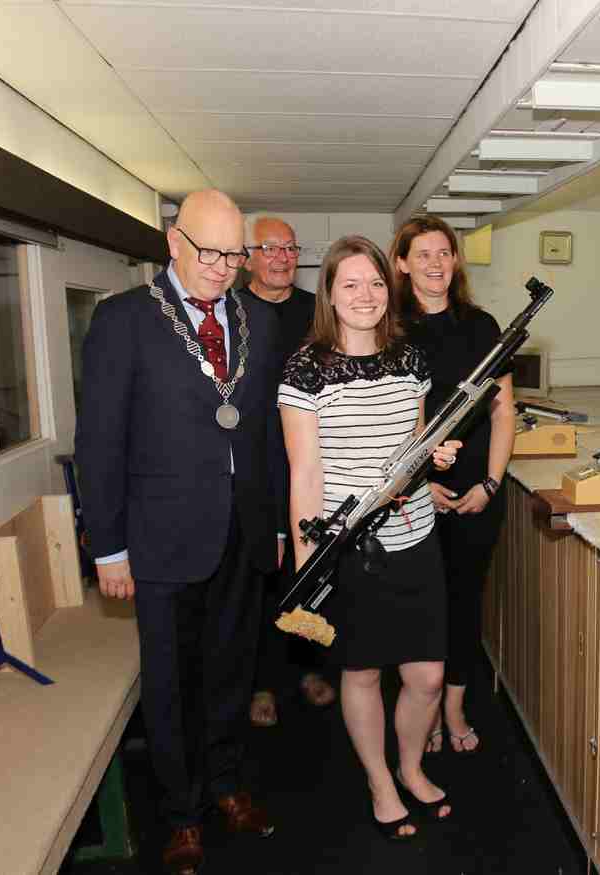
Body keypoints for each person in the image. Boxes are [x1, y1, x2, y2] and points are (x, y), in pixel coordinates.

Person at [75, 190, 280, 875]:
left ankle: (226, 785)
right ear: (173, 241)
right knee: (169, 684)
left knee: (231, 673)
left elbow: (267, 437)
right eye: (209, 252)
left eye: (234, 254)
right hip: (160, 539)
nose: (223, 267)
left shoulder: (256, 320)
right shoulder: (123, 320)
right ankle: (181, 814)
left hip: (242, 532)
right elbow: (99, 442)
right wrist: (108, 546)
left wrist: (276, 525)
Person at [278, 235, 459, 839]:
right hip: (349, 550)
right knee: (361, 675)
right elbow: (305, 474)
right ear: (329, 293)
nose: (366, 295)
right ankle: (381, 782)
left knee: (426, 676)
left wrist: (435, 455)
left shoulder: (410, 360)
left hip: (416, 540)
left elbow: (414, 447)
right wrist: (308, 570)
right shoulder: (306, 369)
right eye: (350, 283)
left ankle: (410, 767)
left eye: (376, 282)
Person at [391, 215, 515, 755]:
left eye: (444, 252)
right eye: (423, 254)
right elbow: (391, 419)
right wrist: (417, 485)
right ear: (402, 263)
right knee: (422, 609)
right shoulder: (391, 329)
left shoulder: (483, 326)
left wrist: (491, 481)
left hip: (476, 491)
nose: (436, 263)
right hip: (415, 492)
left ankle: (454, 708)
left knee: (465, 602)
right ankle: (424, 706)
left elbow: (504, 411)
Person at [242, 215, 335, 727]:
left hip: (313, 463)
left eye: (290, 248)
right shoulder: (232, 312)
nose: (282, 257)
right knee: (261, 579)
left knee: (311, 571)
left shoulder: (317, 314)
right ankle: (261, 681)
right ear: (248, 258)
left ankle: (308, 669)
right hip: (256, 468)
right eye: (270, 248)